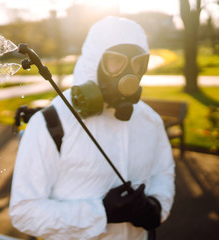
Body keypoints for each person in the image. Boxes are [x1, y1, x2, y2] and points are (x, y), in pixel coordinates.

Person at [9, 16, 175, 240]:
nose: (130, 73)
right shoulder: (52, 122)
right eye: (116, 61)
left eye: (137, 63)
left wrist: (157, 205)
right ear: (94, 62)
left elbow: (162, 174)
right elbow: (24, 212)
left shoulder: (149, 119)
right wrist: (100, 213)